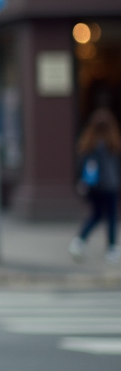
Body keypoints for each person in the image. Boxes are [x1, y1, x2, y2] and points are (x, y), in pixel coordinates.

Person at [70, 108, 121, 263]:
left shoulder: (88, 142)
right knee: (111, 217)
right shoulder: (112, 143)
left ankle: (79, 242)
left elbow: (80, 166)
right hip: (110, 187)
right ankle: (111, 248)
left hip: (93, 187)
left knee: (96, 215)